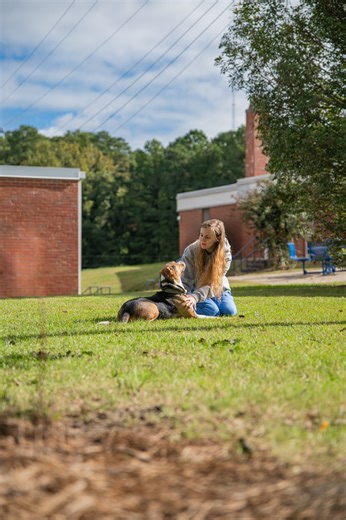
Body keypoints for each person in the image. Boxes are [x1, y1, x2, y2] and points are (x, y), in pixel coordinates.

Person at [179, 219, 237, 317]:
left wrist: (196, 297)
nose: (202, 240)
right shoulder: (191, 251)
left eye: (207, 237)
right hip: (194, 289)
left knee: (230, 312)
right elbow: (186, 280)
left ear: (217, 238)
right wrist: (188, 298)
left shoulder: (225, 254)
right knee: (213, 312)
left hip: (218, 288)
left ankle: (207, 302)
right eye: (201, 235)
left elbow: (214, 282)